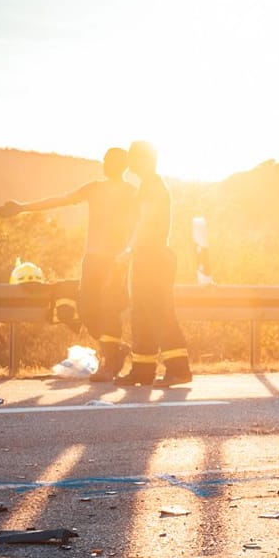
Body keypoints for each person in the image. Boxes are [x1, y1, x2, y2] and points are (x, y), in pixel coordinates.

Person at [0, 147, 140, 381]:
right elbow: (60, 200)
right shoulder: (94, 188)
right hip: (92, 259)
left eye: (109, 160)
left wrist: (129, 253)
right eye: (104, 159)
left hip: (116, 261)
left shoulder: (133, 193)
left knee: (109, 309)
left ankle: (110, 362)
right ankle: (117, 349)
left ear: (120, 165)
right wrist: (22, 207)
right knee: (86, 308)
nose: (104, 163)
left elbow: (142, 225)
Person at [117, 140, 191, 387]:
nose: (129, 162)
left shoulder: (152, 185)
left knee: (160, 313)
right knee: (141, 315)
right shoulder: (147, 185)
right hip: (145, 256)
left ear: (144, 160)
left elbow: (146, 220)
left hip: (154, 257)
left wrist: (129, 249)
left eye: (133, 157)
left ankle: (179, 369)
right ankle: (143, 370)